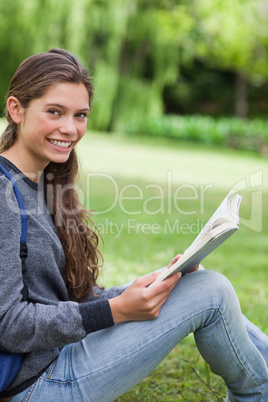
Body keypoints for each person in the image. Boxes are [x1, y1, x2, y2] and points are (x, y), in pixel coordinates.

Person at [0, 48, 267, 402]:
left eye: (80, 115)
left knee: (194, 283)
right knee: (212, 292)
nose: (70, 128)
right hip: (36, 385)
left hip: (57, 355)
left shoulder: (44, 183)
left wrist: (146, 285)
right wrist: (115, 310)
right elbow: (10, 326)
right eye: (54, 112)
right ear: (16, 109)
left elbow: (65, 300)